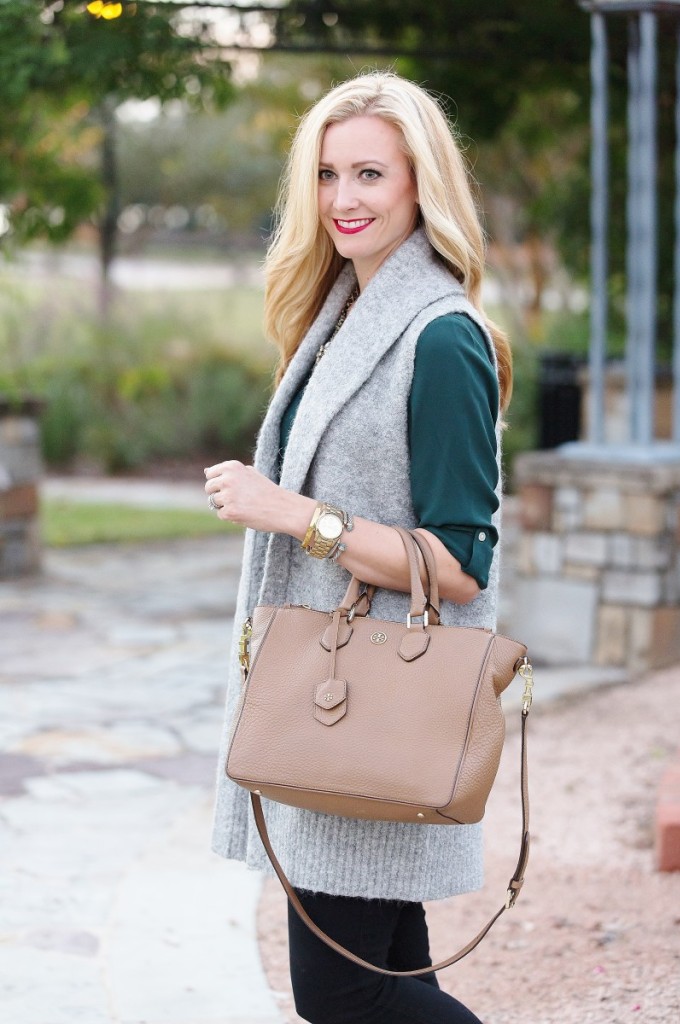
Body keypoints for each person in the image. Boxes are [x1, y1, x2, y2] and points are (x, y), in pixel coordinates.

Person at [205, 70, 512, 1024]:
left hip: (370, 710)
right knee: (386, 981)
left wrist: (295, 515)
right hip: (340, 711)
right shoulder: (343, 320)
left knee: (340, 999)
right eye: (329, 175)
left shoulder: (441, 338)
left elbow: (459, 565)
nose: (344, 200)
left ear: (421, 184)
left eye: (370, 174)